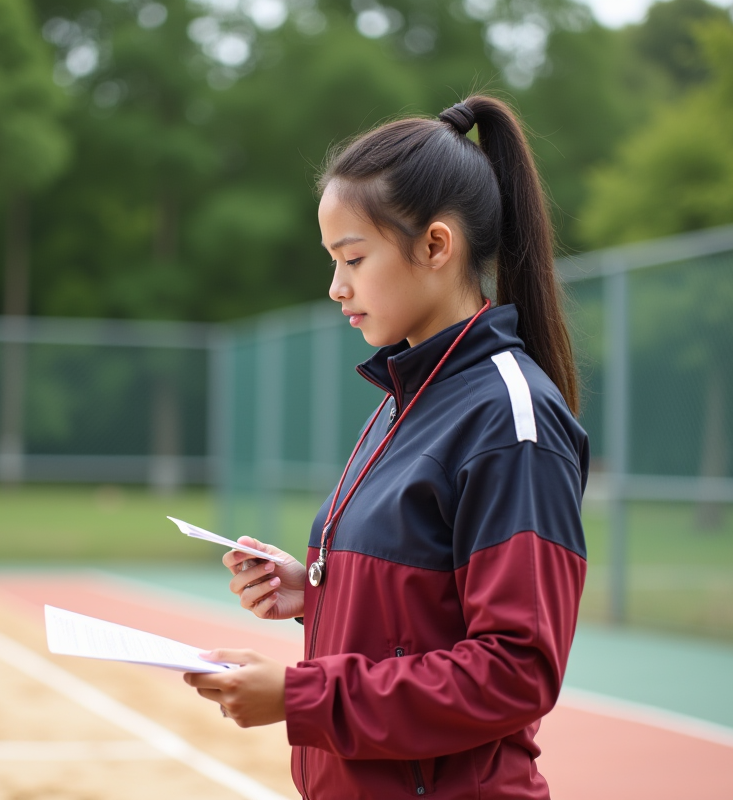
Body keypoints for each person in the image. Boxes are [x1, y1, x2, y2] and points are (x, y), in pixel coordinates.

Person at [183, 94, 588, 800]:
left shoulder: (510, 418)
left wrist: (302, 697)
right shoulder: (404, 397)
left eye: (353, 258)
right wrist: (316, 593)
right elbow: (424, 605)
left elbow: (516, 672)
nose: (336, 287)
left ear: (435, 246)